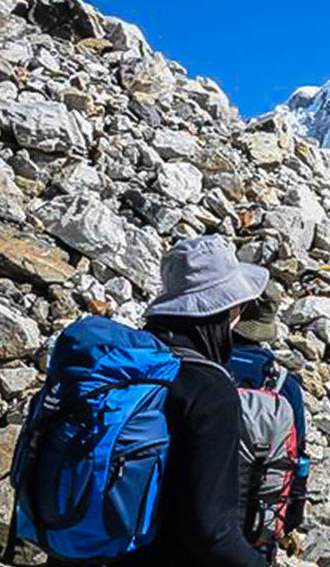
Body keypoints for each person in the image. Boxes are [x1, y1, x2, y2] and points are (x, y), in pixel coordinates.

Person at [124, 235, 270, 567]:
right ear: (226, 307)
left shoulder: (135, 358)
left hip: (84, 546)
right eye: (240, 304)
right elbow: (211, 533)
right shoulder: (210, 390)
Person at [228, 282, 310, 562]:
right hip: (255, 524)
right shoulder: (285, 385)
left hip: (190, 518)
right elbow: (298, 458)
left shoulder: (204, 364)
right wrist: (290, 520)